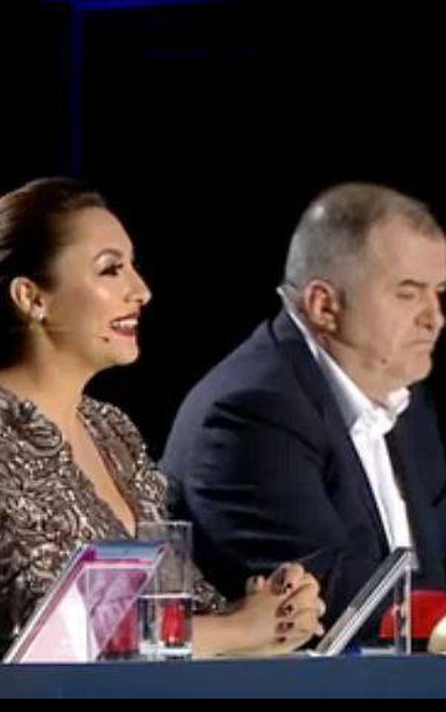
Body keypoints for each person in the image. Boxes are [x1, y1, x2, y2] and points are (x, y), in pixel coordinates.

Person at [0, 178, 324, 662]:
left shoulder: (111, 429)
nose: (141, 291)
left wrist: (270, 610)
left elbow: (168, 612)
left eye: (132, 267)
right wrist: (241, 629)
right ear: (32, 297)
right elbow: (64, 632)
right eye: (111, 270)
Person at [164, 183, 446, 636]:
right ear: (324, 305)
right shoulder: (252, 414)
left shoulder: (405, 405)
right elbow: (342, 605)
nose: (434, 317)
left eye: (439, 292)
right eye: (408, 294)